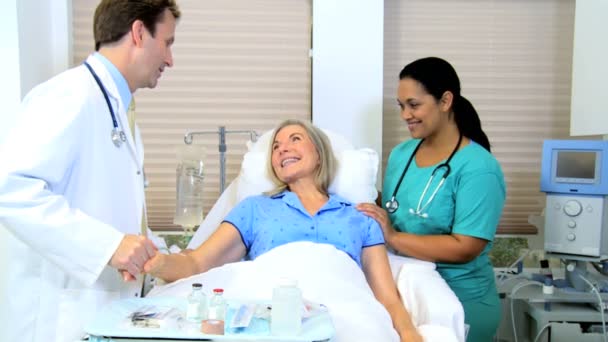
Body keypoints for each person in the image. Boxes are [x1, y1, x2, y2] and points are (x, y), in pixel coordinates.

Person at [144, 119, 422, 342]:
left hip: (342, 309)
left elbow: (386, 296)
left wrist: (409, 333)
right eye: (276, 147)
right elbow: (197, 262)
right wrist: (158, 263)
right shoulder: (255, 209)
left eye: (295, 140)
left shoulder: (360, 216)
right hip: (271, 308)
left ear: (319, 155)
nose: (282, 149)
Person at [0, 1, 181, 341]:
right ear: (139, 33)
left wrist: (151, 252)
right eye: (168, 43)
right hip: (57, 320)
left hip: (101, 314)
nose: (170, 59)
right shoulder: (68, 95)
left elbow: (109, 206)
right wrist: (109, 246)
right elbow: (10, 190)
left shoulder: (115, 108)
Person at [357, 57, 506, 342]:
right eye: (401, 106)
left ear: (446, 101)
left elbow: (466, 247)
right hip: (405, 290)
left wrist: (393, 236)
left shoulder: (478, 168)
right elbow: (396, 207)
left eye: (414, 105)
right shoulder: (402, 154)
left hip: (460, 302)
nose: (405, 115)